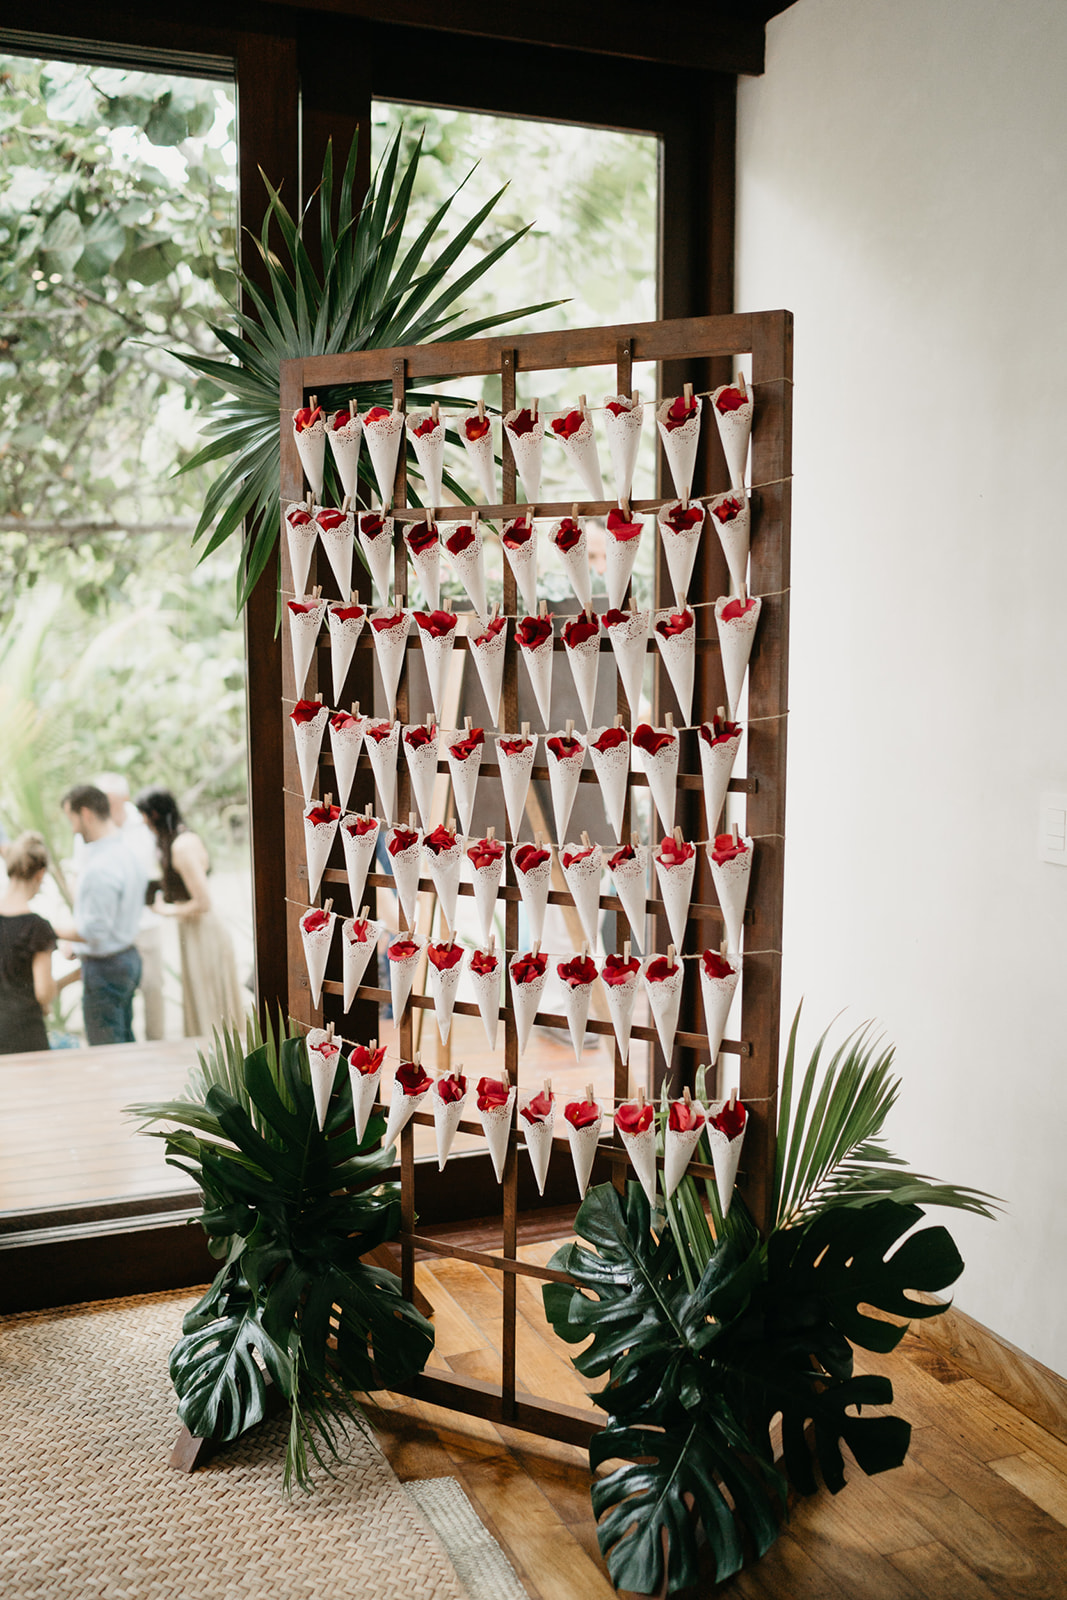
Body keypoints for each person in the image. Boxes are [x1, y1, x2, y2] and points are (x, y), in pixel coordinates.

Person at [134, 788, 244, 1038]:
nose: (142, 822)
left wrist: (166, 910)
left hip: (202, 931)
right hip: (194, 930)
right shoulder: (177, 840)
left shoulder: (182, 846)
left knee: (210, 1009)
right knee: (205, 1004)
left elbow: (203, 902)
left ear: (153, 814)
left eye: (143, 815)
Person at [56, 784, 147, 1046]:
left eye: (71, 819)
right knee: (125, 1040)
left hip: (106, 968)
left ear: (85, 814)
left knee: (107, 1052)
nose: (72, 828)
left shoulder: (100, 868)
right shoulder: (127, 854)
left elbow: (95, 931)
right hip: (127, 957)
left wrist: (51, 929)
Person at [92, 773, 165, 1040]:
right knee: (122, 996)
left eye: (113, 802)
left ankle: (157, 1045)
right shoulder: (95, 827)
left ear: (125, 798)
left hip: (147, 922)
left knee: (154, 989)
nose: (110, 808)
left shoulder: (144, 822)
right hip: (115, 926)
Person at [0, 832, 77, 1054]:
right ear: (40, 874)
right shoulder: (37, 927)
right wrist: (72, 977)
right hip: (23, 1032)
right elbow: (43, 992)